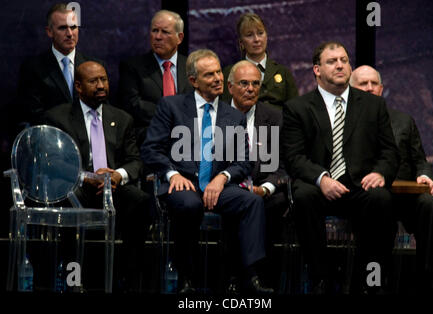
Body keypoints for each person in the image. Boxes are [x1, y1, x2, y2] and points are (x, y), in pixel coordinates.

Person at [141, 49, 273, 294]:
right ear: (193, 81)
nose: (218, 79)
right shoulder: (172, 106)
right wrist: (172, 174)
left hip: (218, 187)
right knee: (190, 205)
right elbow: (150, 150)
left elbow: (244, 162)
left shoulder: (233, 116)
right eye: (209, 74)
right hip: (182, 184)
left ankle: (249, 277)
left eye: (219, 73)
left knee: (252, 202)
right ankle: (185, 278)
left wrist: (222, 178)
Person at [281, 41, 399, 294]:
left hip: (358, 185)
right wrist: (321, 178)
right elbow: (293, 157)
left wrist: (380, 172)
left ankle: (368, 279)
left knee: (381, 198)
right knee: (303, 195)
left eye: (344, 60)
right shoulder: (297, 108)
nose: (340, 65)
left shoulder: (373, 105)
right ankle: (321, 278)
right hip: (318, 187)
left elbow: (389, 151)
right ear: (316, 70)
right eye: (332, 61)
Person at [44, 61, 151, 292]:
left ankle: (131, 280)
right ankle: (73, 280)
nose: (101, 85)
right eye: (94, 81)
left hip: (112, 188)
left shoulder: (122, 119)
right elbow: (54, 162)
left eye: (104, 79)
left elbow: (135, 161)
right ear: (79, 86)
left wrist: (117, 176)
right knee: (69, 203)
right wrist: (87, 177)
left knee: (141, 201)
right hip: (77, 187)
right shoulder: (58, 117)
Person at [350, 65, 433, 292]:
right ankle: (376, 281)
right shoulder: (343, 125)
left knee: (430, 207)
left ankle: (425, 277)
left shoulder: (404, 121)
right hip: (367, 198)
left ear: (381, 89)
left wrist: (424, 176)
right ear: (352, 90)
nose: (369, 88)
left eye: (374, 84)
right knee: (378, 203)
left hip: (404, 195)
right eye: (363, 84)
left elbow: (420, 159)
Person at [227, 60, 288, 290]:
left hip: (263, 188)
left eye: (255, 84)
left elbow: (281, 165)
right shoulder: (217, 115)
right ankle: (235, 277)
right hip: (228, 186)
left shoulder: (274, 117)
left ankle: (261, 277)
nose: (250, 89)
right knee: (238, 202)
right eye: (244, 83)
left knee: (273, 202)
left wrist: (266, 188)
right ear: (230, 86)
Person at [17, 3, 103, 126]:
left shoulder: (95, 66)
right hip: (52, 139)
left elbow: (102, 110)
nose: (69, 34)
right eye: (63, 28)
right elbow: (33, 114)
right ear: (49, 32)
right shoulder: (33, 69)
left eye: (73, 27)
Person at [118, 9, 193, 147]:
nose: (158, 37)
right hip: (149, 142)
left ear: (180, 38)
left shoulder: (191, 66)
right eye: (154, 31)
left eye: (165, 32)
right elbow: (132, 105)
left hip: (189, 143)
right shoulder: (132, 67)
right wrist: (172, 115)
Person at [221, 13, 298, 110]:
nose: (256, 39)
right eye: (249, 35)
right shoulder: (229, 73)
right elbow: (225, 110)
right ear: (241, 43)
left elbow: (295, 111)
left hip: (278, 124)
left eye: (260, 33)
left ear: (266, 36)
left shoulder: (283, 72)